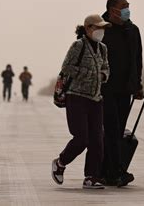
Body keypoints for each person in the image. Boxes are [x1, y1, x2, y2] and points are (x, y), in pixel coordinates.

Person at [51, 14, 110, 189]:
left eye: (103, 28)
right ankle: (60, 163)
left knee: (97, 140)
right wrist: (89, 74)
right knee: (82, 138)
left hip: (96, 98)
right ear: (88, 28)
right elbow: (66, 67)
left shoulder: (103, 48)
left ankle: (91, 177)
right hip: (76, 97)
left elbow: (106, 68)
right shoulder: (78, 46)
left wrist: (103, 75)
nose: (101, 31)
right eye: (98, 27)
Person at [100, 0, 143, 187]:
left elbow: (137, 61)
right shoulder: (102, 30)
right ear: (112, 10)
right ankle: (116, 172)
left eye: (128, 6)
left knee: (116, 132)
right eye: (123, 6)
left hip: (125, 90)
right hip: (105, 89)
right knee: (110, 130)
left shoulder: (132, 31)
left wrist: (138, 86)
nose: (127, 9)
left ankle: (107, 171)